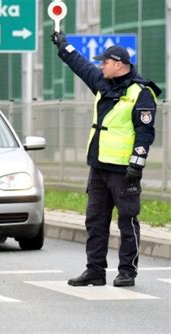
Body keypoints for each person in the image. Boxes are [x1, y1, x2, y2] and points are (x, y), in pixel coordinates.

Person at [51, 32, 161, 287]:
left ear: (119, 64)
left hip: (125, 170)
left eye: (105, 63)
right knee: (95, 220)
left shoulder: (141, 93)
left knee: (127, 220)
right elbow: (81, 66)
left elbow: (145, 132)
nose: (101, 66)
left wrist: (138, 161)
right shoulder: (103, 83)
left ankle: (127, 272)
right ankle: (95, 270)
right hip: (99, 166)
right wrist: (63, 46)